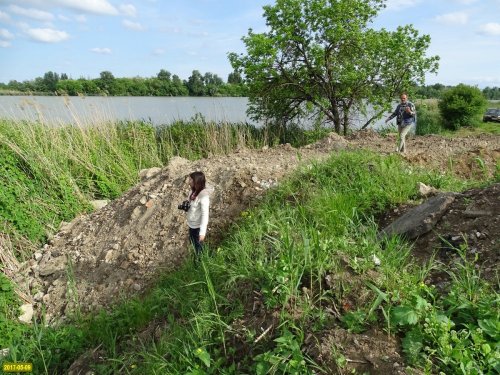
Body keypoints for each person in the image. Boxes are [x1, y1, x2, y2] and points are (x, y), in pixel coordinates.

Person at [184, 171, 212, 263]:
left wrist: (202, 232)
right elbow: (192, 205)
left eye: (191, 179)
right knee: (194, 246)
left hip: (198, 227)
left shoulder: (203, 196)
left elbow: (205, 215)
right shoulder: (192, 191)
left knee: (199, 247)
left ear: (196, 181)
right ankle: (197, 260)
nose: (189, 181)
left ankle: (201, 264)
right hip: (191, 224)